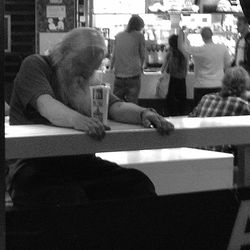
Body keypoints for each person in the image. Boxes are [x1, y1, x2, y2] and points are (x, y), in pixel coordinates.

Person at [7, 27, 174, 208]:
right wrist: (80, 121)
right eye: (80, 68)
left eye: (91, 71)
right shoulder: (36, 65)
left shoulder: (87, 79)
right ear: (63, 54)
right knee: (68, 196)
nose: (85, 76)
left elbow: (115, 106)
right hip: (33, 164)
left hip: (79, 162)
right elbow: (47, 106)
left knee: (137, 184)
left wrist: (144, 114)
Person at [189, 66, 250, 154]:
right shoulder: (241, 104)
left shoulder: (206, 98)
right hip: (223, 157)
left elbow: (190, 118)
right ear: (244, 87)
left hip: (196, 153)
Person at [178, 26, 232, 107]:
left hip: (201, 85)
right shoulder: (223, 48)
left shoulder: (198, 50)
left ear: (202, 37)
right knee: (217, 112)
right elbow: (228, 66)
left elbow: (181, 47)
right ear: (212, 35)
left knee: (200, 113)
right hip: (219, 84)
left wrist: (180, 32)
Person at [110, 14, 145, 104]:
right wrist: (141, 67)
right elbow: (142, 55)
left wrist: (110, 68)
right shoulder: (139, 36)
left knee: (116, 104)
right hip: (133, 76)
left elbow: (113, 55)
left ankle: (116, 118)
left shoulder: (118, 36)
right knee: (132, 105)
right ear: (139, 26)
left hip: (119, 77)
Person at [161, 34, 188, 116]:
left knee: (171, 103)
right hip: (182, 80)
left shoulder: (170, 53)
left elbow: (163, 69)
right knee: (182, 102)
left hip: (172, 80)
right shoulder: (184, 54)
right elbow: (186, 69)